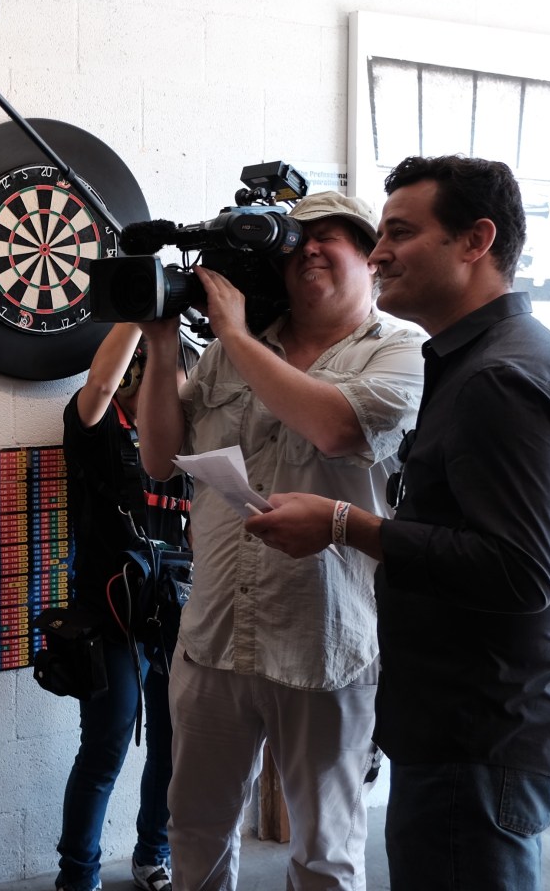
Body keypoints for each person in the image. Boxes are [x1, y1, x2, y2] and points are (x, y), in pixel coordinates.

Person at [248, 156, 550, 891]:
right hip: (464, 723)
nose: (378, 255)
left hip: (476, 732)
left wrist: (345, 523)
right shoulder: (482, 360)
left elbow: (520, 571)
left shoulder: (499, 378)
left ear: (476, 240)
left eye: (400, 233)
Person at [135, 191, 425, 891]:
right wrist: (163, 343)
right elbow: (158, 457)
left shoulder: (400, 350)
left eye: (332, 236)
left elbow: (337, 428)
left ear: (370, 259)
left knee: (325, 852)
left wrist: (234, 337)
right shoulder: (233, 349)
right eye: (298, 240)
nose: (310, 249)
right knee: (194, 828)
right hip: (215, 635)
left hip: (324, 642)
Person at [54, 322, 191, 891]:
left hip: (174, 614)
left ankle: (152, 854)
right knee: (106, 747)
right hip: (109, 618)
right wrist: (140, 314)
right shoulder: (102, 426)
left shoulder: (189, 442)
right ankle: (78, 875)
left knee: (172, 747)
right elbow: (100, 386)